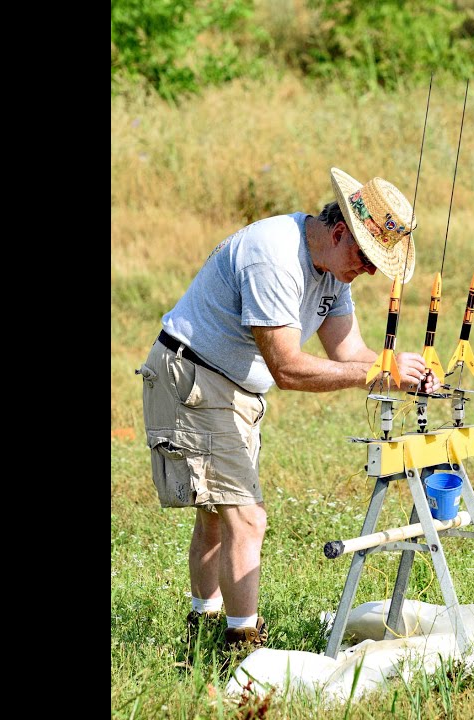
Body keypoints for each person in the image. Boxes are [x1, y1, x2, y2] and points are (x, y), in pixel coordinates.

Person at [137, 167, 439, 659]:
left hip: (234, 389)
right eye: (366, 259)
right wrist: (375, 376)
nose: (367, 272)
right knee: (247, 517)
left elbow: (348, 352)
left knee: (220, 513)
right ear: (340, 231)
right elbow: (288, 368)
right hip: (194, 377)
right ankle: (243, 652)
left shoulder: (331, 268)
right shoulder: (275, 257)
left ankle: (204, 628)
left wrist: (396, 366)